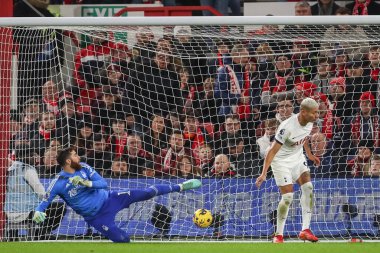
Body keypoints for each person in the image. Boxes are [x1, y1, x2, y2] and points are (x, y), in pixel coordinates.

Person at [33, 147, 202, 243]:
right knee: (123, 240)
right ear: (68, 161)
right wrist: (39, 211)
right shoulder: (59, 182)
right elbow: (46, 198)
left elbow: (103, 184)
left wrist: (87, 183)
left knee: (146, 192)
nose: (78, 156)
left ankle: (180, 186)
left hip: (111, 198)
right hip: (97, 218)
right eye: (75, 155)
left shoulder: (84, 167)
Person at [255, 98, 321, 243]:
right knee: (288, 197)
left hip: (297, 158)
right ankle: (278, 235)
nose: (317, 115)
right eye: (314, 113)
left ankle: (305, 229)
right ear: (303, 112)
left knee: (308, 187)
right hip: (280, 161)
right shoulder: (287, 127)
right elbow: (272, 151)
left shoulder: (309, 122)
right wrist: (264, 173)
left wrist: (309, 155)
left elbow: (304, 138)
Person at [5, 144, 65, 241]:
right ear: (27, 156)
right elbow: (41, 193)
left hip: (8, 212)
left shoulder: (10, 169)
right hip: (26, 212)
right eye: (33, 154)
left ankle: (12, 233)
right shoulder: (28, 170)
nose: (35, 157)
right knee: (59, 206)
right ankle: (42, 232)